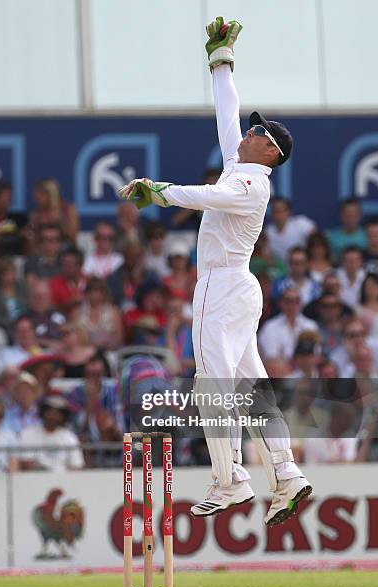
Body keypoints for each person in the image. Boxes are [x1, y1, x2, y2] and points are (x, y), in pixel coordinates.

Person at [118, 17, 312, 526]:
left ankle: (230, 480)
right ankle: (287, 474)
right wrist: (221, 60)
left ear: (272, 150)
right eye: (252, 128)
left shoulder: (253, 183)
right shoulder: (239, 162)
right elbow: (226, 113)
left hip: (223, 286)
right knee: (251, 388)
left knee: (213, 383)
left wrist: (159, 191)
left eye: (258, 131)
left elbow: (211, 198)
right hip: (235, 289)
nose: (248, 131)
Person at [19, 394, 84, 471]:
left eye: (57, 413)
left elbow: (76, 466)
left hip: (63, 480)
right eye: (49, 412)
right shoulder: (28, 433)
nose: (53, 416)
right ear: (42, 412)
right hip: (35, 479)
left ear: (63, 416)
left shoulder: (69, 437)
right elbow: (27, 464)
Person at [259, 287, 318, 361]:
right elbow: (271, 356)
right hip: (279, 370)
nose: (292, 304)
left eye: (296, 301)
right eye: (288, 300)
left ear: (300, 303)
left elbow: (316, 353)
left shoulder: (310, 326)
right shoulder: (269, 327)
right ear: (281, 303)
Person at [29, 179, 79, 245]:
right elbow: (33, 240)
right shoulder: (35, 214)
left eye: (40, 195)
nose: (36, 199)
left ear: (50, 195)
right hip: (42, 251)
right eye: (36, 196)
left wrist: (59, 220)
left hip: (64, 249)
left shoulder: (68, 210)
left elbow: (73, 237)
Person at [266, 197, 316, 261]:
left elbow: (317, 240)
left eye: (282, 210)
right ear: (272, 213)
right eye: (276, 211)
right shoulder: (268, 231)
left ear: (290, 211)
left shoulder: (301, 223)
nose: (279, 214)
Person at [326, 198, 367, 263]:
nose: (351, 218)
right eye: (348, 214)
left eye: (354, 214)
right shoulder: (331, 237)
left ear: (360, 215)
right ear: (341, 215)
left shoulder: (368, 235)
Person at [356, 273, 378, 338]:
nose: (371, 289)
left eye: (374, 285)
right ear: (363, 289)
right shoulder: (358, 310)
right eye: (368, 286)